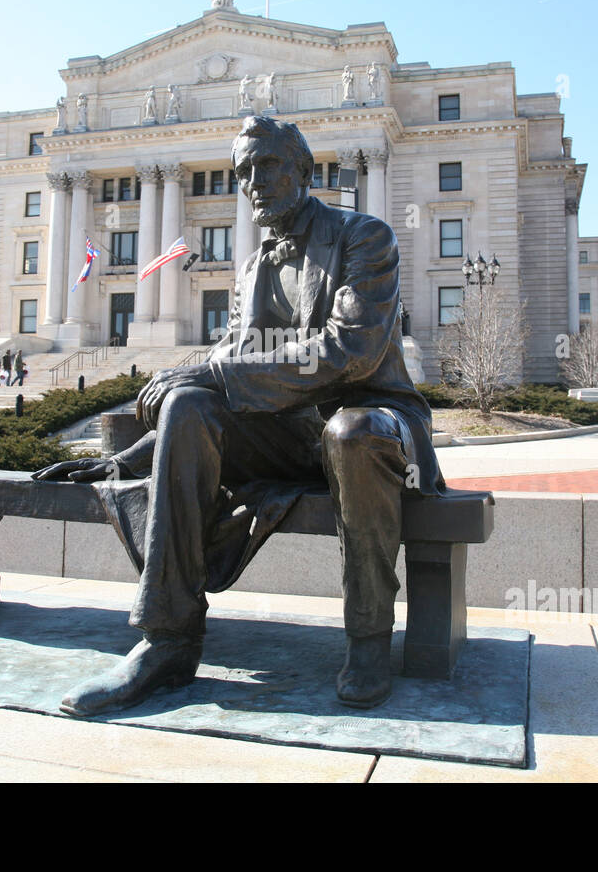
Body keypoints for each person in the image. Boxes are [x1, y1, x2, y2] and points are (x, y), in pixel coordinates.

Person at [34, 116, 443, 717]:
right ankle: (168, 639)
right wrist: (119, 461)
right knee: (190, 403)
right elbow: (225, 369)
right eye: (243, 171)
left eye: (268, 165)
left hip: (376, 422)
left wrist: (214, 373)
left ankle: (368, 638)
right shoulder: (251, 267)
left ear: (305, 171)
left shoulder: (365, 237)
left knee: (348, 431)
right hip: (292, 434)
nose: (253, 181)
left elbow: (350, 352)